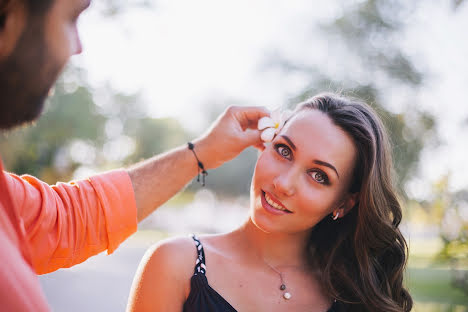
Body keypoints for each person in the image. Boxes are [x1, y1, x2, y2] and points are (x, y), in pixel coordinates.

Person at [0, 0, 268, 310]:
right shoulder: (179, 262)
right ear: (11, 13)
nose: (78, 47)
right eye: (72, 18)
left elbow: (66, 220)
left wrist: (203, 152)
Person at [127, 93, 414, 312]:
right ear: (265, 145)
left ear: (344, 204)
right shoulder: (175, 265)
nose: (283, 183)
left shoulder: (356, 293)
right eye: (284, 151)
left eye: (318, 175)